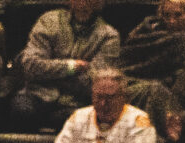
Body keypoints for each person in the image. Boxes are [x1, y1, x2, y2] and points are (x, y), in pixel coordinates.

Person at [13, 0, 120, 129]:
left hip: (75, 101)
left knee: (77, 120)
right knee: (21, 110)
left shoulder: (109, 36)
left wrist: (48, 72)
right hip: (37, 94)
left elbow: (93, 82)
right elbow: (31, 66)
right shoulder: (49, 21)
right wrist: (71, 67)